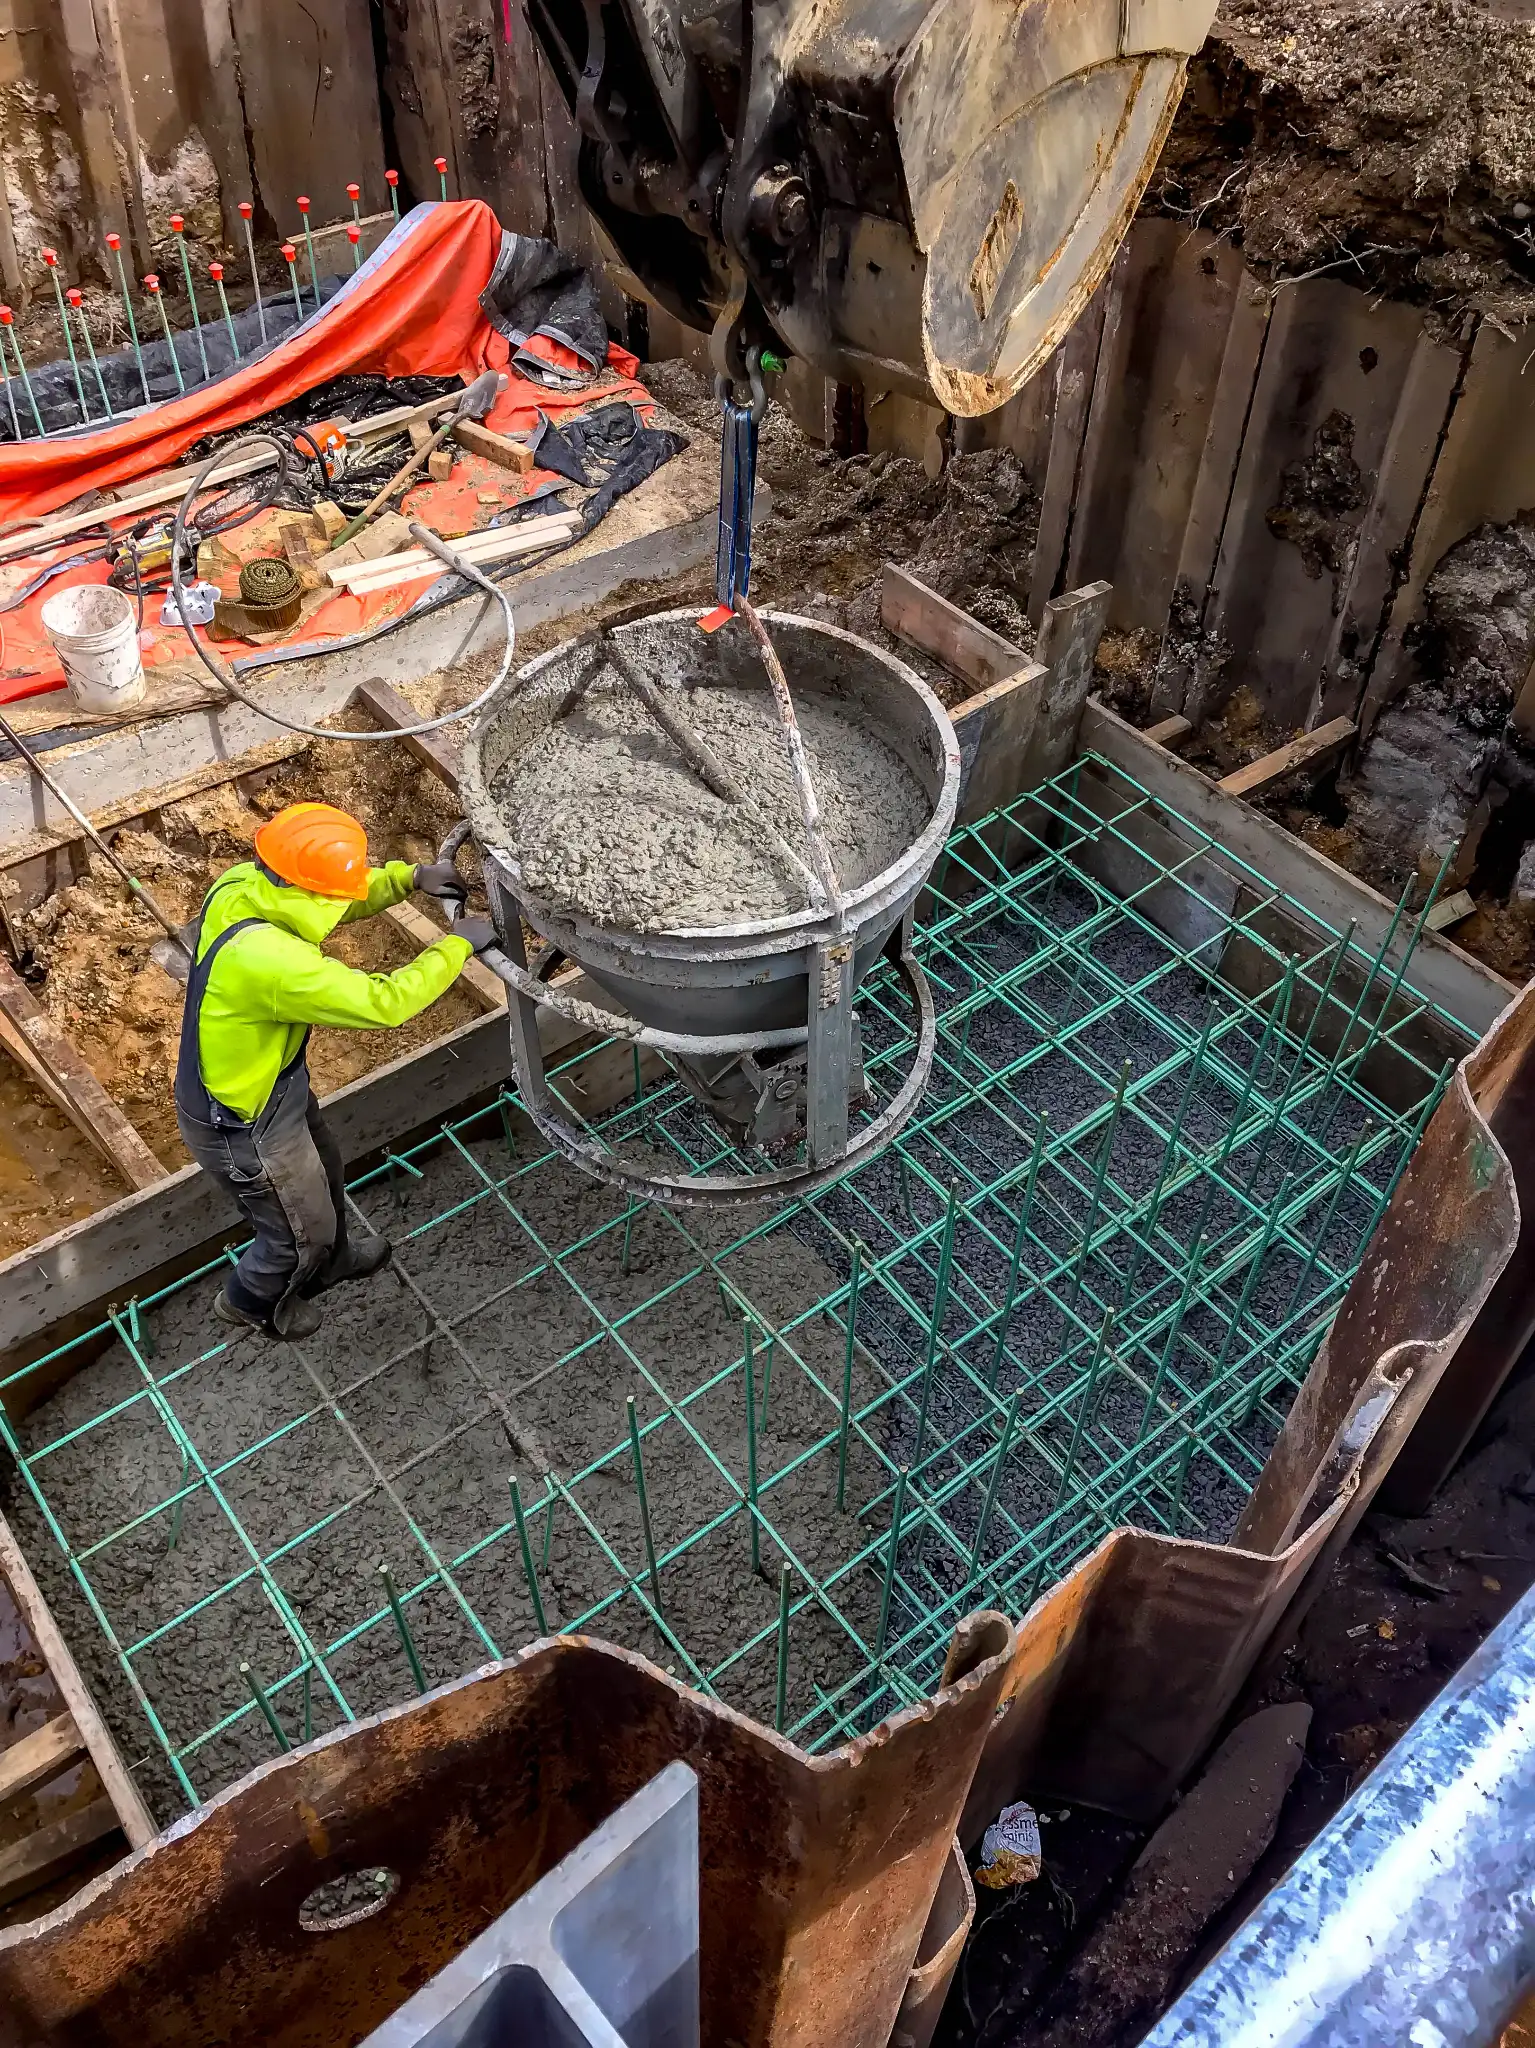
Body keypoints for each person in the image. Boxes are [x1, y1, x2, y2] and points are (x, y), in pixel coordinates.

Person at [174, 801, 497, 1340]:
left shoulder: (245, 884)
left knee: (326, 1171)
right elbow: (384, 1003)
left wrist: (408, 878)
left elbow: (334, 896)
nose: (348, 894)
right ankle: (251, 1301)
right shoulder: (271, 962)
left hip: (272, 1083)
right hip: (239, 1123)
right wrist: (457, 946)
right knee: (298, 1231)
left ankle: (336, 1258)